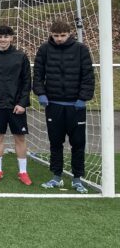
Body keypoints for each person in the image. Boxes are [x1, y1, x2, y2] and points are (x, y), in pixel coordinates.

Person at [33, 20, 95, 193]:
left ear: (69, 34)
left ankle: (77, 179)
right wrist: (41, 93)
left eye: (62, 35)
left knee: (78, 143)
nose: (59, 38)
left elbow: (88, 76)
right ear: (51, 34)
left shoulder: (81, 49)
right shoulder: (44, 49)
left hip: (76, 106)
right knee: (55, 143)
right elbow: (37, 74)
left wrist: (83, 98)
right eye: (56, 35)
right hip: (53, 105)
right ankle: (56, 177)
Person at [0, 25, 32, 185]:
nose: (2, 40)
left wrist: (23, 103)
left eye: (6, 36)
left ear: (11, 38)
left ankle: (23, 172)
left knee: (20, 137)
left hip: (17, 106)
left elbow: (26, 81)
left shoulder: (21, 56)